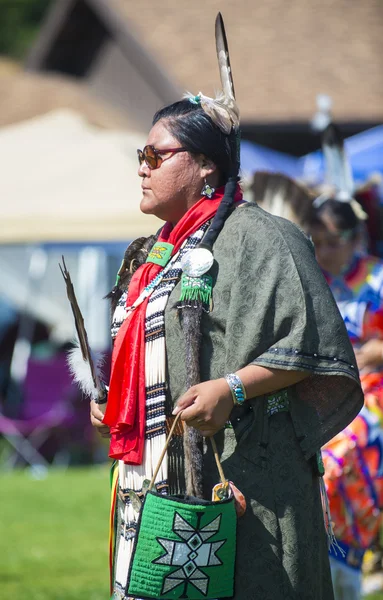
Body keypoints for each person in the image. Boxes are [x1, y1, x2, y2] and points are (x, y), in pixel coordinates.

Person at [88, 19, 363, 600]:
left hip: (243, 480)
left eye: (154, 154)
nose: (141, 165)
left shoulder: (264, 238)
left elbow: (314, 349)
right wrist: (113, 399)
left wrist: (231, 389)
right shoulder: (151, 254)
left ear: (206, 165)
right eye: (141, 154)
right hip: (155, 479)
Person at [310, 197, 383, 600]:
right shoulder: (311, 279)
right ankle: (332, 566)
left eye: (333, 241)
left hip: (374, 397)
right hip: (322, 394)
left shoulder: (378, 278)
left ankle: (345, 563)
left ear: (355, 238)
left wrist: (375, 351)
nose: (324, 251)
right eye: (317, 241)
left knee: (334, 463)